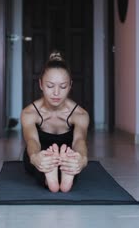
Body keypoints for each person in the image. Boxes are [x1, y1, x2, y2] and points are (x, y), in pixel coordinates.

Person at [21, 51, 89, 193]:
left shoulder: (80, 114)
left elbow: (79, 141)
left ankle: (66, 175)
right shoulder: (29, 113)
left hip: (67, 153)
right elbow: (32, 140)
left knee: (70, 161)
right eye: (50, 86)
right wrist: (35, 158)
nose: (56, 93)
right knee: (38, 162)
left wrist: (82, 160)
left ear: (70, 85)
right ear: (40, 84)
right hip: (40, 152)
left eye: (63, 87)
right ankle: (49, 176)